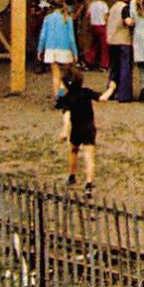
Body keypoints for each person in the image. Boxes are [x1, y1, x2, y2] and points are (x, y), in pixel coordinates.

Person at [55, 64, 116, 199]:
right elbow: (103, 98)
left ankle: (72, 175)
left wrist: (65, 131)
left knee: (73, 150)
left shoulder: (67, 99)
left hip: (76, 129)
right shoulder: (86, 92)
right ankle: (88, 184)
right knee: (89, 156)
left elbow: (66, 115)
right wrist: (111, 89)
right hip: (88, 128)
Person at [36, 0, 80, 98]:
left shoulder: (47, 18)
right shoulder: (68, 18)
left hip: (50, 49)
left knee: (55, 75)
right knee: (65, 75)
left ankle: (57, 98)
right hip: (64, 49)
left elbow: (42, 36)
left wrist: (40, 50)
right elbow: (71, 38)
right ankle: (62, 90)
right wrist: (75, 52)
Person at [105, 0, 134, 101]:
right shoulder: (125, 7)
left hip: (112, 41)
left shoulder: (113, 6)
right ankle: (124, 94)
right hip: (123, 41)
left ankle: (111, 90)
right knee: (125, 68)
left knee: (114, 68)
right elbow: (128, 21)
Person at [82, 0, 110, 71]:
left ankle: (88, 60)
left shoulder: (92, 4)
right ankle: (104, 64)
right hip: (102, 26)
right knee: (104, 46)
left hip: (93, 26)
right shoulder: (104, 5)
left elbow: (87, 15)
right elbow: (106, 17)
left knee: (95, 44)